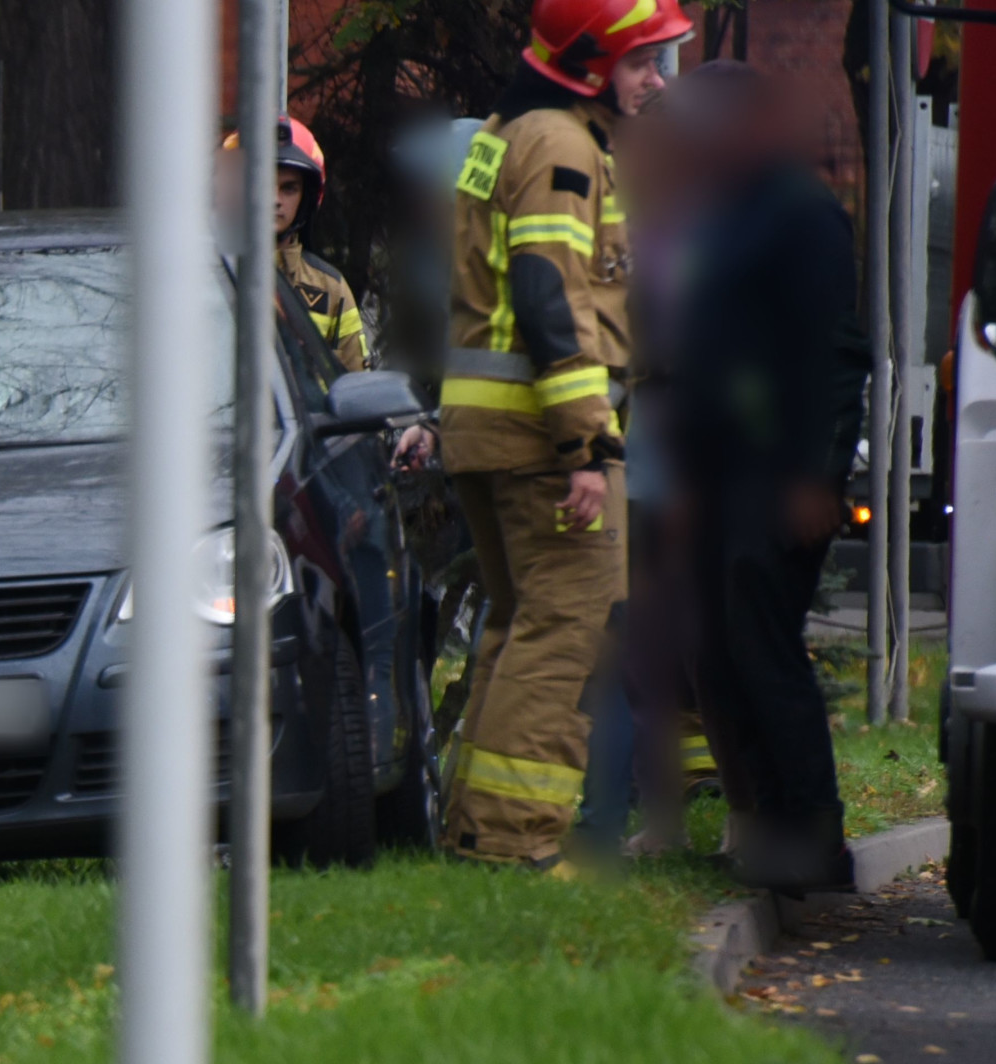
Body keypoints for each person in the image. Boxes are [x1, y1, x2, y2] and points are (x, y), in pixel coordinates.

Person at [434, 0, 693, 870]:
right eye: (641, 63)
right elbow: (551, 298)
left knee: (519, 623)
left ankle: (475, 829)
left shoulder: (515, 132)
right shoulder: (562, 146)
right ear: (589, 63)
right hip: (545, 442)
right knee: (566, 630)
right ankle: (513, 845)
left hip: (496, 430)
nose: (656, 80)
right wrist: (589, 445)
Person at [661, 63, 866, 893]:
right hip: (722, 475)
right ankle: (769, 829)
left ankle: (812, 837)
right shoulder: (725, 216)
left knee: (762, 647)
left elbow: (834, 356)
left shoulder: (801, 215)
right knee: (717, 650)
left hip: (780, 473)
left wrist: (816, 475)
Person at [226, 116, 371, 372]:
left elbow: (355, 387)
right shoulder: (207, 278)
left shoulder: (329, 289)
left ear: (307, 198)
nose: (275, 200)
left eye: (289, 188)